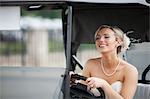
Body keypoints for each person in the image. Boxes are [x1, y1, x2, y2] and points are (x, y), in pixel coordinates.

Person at [82, 25, 138, 99]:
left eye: (106, 37)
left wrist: (104, 85)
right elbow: (82, 93)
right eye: (97, 38)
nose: (101, 40)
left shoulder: (130, 71)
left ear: (118, 42)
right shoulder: (90, 64)